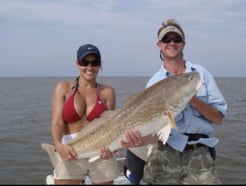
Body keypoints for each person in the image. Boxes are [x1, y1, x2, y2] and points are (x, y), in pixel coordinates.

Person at [121, 18, 227, 184]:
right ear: (159, 45)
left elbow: (218, 118)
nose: (172, 43)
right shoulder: (154, 83)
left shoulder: (199, 74)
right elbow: (155, 132)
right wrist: (139, 140)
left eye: (176, 39)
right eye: (166, 39)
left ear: (183, 44)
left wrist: (193, 100)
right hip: (164, 151)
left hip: (199, 153)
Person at [50, 43, 120, 185]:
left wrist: (111, 147)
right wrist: (58, 145)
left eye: (94, 63)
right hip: (70, 151)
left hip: (100, 152)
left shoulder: (108, 92)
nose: (89, 67)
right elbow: (57, 122)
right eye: (84, 62)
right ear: (77, 63)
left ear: (100, 65)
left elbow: (110, 126)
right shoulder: (63, 88)